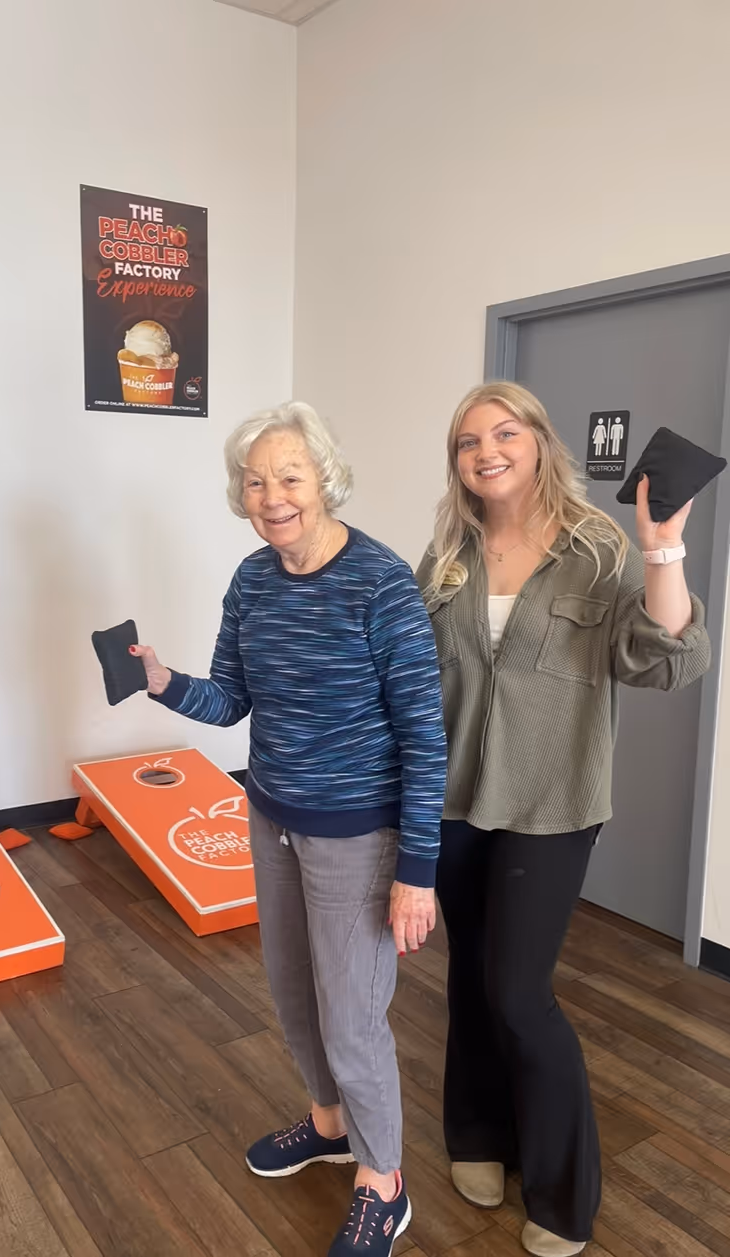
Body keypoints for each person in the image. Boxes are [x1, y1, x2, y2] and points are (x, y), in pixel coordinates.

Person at [131, 401, 447, 1257]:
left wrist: (417, 869)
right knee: (292, 993)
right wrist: (164, 682)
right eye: (256, 480)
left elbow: (425, 731)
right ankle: (329, 1122)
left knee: (353, 1016)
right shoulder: (252, 579)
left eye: (290, 477)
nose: (272, 496)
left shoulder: (379, 582)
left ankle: (385, 1180)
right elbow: (232, 699)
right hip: (270, 814)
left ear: (325, 481)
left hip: (359, 834)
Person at [417, 382, 711, 1257]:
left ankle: (562, 1188)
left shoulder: (597, 547)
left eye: (505, 432)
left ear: (539, 442)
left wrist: (664, 551)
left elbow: (667, 662)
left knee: (519, 992)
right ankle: (476, 1135)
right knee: (469, 973)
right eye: (469, 440)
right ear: (457, 461)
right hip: (453, 797)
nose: (487, 451)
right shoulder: (444, 554)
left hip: (552, 803)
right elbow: (404, 669)